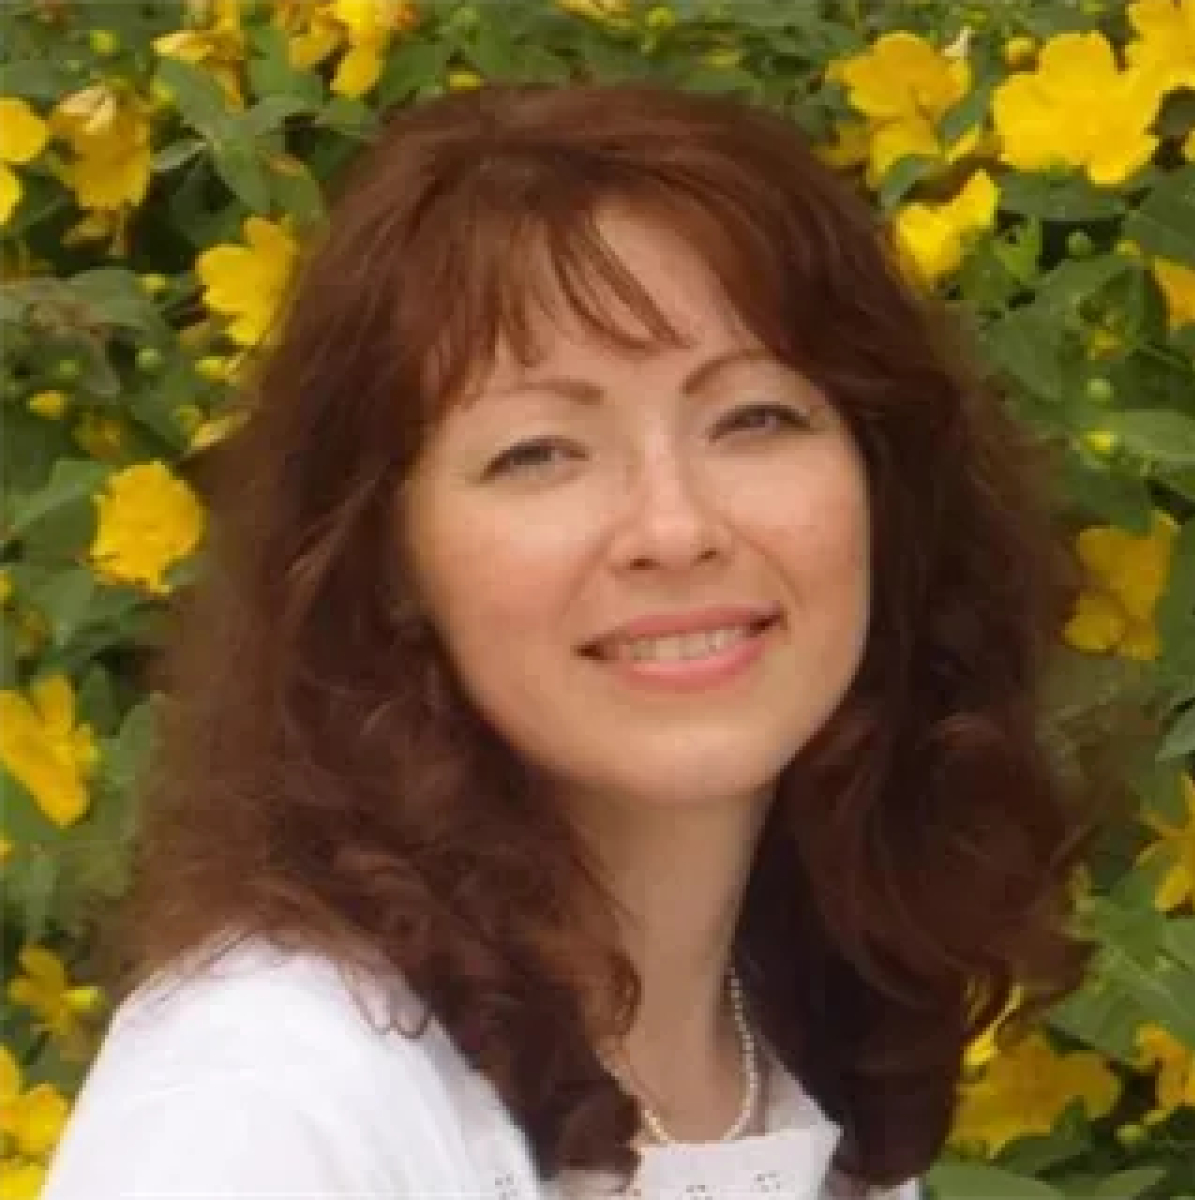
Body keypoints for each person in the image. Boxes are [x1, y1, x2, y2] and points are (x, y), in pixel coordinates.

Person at [41, 80, 1096, 1198]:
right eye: (540, 452)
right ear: (386, 564)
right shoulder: (266, 1103)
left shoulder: (790, 1065)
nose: (675, 529)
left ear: (886, 492)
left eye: (754, 418)